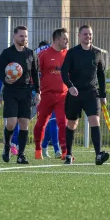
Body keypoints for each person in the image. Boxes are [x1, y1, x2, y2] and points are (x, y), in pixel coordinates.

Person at [61, 25, 109, 165]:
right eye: (85, 34)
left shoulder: (98, 53)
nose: (88, 36)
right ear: (79, 36)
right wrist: (70, 87)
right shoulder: (72, 53)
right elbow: (64, 73)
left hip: (91, 93)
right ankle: (68, 154)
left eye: (90, 34)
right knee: (72, 123)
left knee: (95, 120)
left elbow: (101, 75)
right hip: (75, 93)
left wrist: (103, 94)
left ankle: (98, 155)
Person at [0, 25, 40, 164]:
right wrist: (6, 79)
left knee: (24, 123)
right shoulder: (7, 53)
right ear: (14, 36)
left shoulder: (31, 54)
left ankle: (21, 154)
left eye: (26, 36)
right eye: (21, 36)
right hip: (11, 91)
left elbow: (35, 74)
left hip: (26, 91)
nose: (24, 38)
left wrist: (38, 92)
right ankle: (7, 146)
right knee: (11, 123)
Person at [33, 28, 69, 160]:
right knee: (41, 123)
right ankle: (38, 149)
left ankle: (65, 152)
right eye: (64, 38)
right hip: (46, 95)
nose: (67, 41)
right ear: (57, 39)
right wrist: (36, 91)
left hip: (62, 96)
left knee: (62, 122)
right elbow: (34, 74)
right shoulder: (43, 54)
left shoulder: (68, 55)